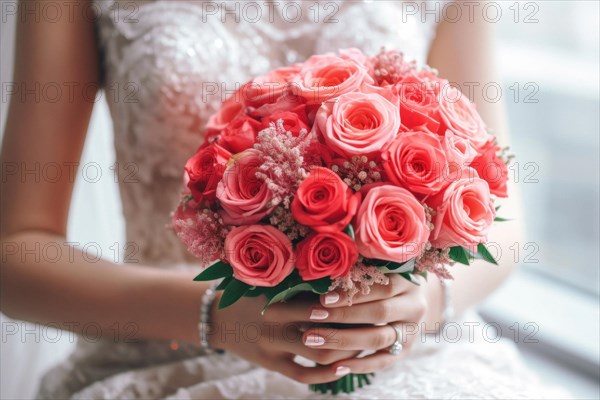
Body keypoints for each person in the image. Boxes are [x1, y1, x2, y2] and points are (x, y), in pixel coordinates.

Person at [1, 1, 556, 398]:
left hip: (408, 348)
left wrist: (421, 305)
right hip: (165, 345)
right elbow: (16, 254)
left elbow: (498, 212)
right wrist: (211, 315)